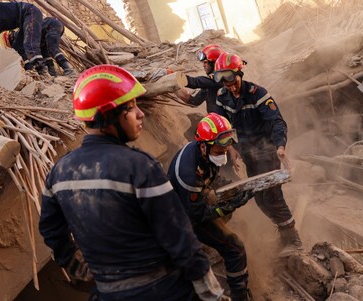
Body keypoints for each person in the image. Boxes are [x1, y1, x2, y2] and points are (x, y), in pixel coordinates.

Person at [39, 64, 229, 301]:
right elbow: (179, 237)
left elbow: (50, 229)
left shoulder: (59, 172)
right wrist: (210, 293)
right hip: (163, 290)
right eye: (130, 108)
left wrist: (80, 270)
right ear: (108, 116)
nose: (140, 114)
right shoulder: (139, 166)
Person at [212, 52, 303, 257]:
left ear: (239, 74)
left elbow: (277, 122)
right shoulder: (222, 97)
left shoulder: (257, 93)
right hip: (247, 152)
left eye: (232, 80)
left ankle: (294, 240)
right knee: (259, 198)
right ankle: (283, 233)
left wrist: (280, 146)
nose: (230, 86)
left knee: (272, 196)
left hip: (267, 150)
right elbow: (223, 126)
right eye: (224, 81)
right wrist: (232, 149)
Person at [168, 113, 253, 301]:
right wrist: (231, 204)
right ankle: (241, 296)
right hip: (183, 219)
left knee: (223, 209)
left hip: (194, 204)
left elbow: (212, 179)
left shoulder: (206, 154)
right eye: (219, 150)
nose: (223, 153)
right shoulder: (188, 173)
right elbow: (197, 215)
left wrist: (234, 188)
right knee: (235, 247)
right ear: (203, 144)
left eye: (226, 148)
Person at [2, 17, 74, 76]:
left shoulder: (19, 39)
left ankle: (68, 69)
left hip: (50, 26)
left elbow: (22, 53)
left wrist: (29, 69)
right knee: (45, 51)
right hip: (53, 26)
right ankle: (53, 73)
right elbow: (43, 53)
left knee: (53, 48)